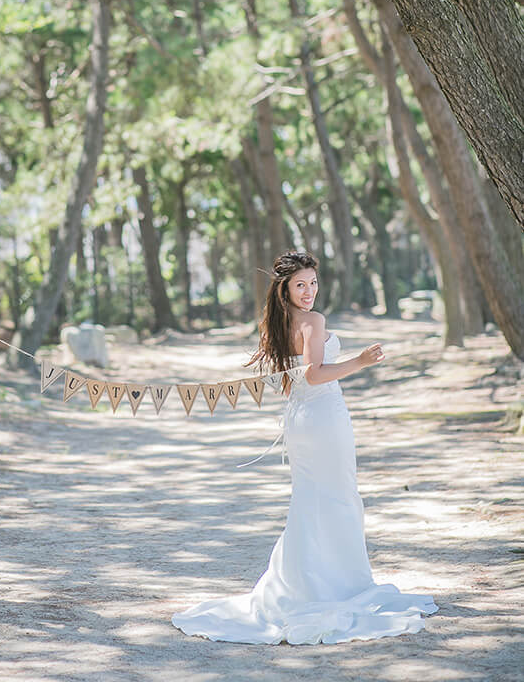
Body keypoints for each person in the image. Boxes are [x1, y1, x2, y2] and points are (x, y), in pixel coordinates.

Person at [172, 250, 437, 644]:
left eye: (313, 283)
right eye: (301, 284)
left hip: (299, 420)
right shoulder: (313, 321)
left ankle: (306, 583)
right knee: (341, 498)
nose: (309, 291)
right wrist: (360, 361)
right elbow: (314, 375)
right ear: (285, 288)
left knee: (311, 500)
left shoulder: (277, 323)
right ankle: (341, 588)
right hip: (324, 418)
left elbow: (291, 380)